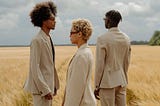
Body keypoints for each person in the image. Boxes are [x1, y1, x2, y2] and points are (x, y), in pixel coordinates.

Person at [23, 1, 59, 106]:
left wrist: (53, 85)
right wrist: (45, 89)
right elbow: (35, 67)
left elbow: (49, 65)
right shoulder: (37, 40)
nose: (55, 21)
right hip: (41, 91)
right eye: (52, 19)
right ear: (43, 21)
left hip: (49, 87)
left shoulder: (48, 38)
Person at [94, 10, 131, 106]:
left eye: (105, 19)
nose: (104, 21)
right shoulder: (126, 38)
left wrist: (97, 86)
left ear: (109, 21)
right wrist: (124, 77)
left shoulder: (102, 38)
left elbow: (99, 65)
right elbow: (127, 62)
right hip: (121, 81)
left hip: (107, 83)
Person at [62, 19, 96, 106]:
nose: (69, 35)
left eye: (71, 32)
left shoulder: (82, 56)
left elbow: (76, 88)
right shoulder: (85, 52)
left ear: (79, 34)